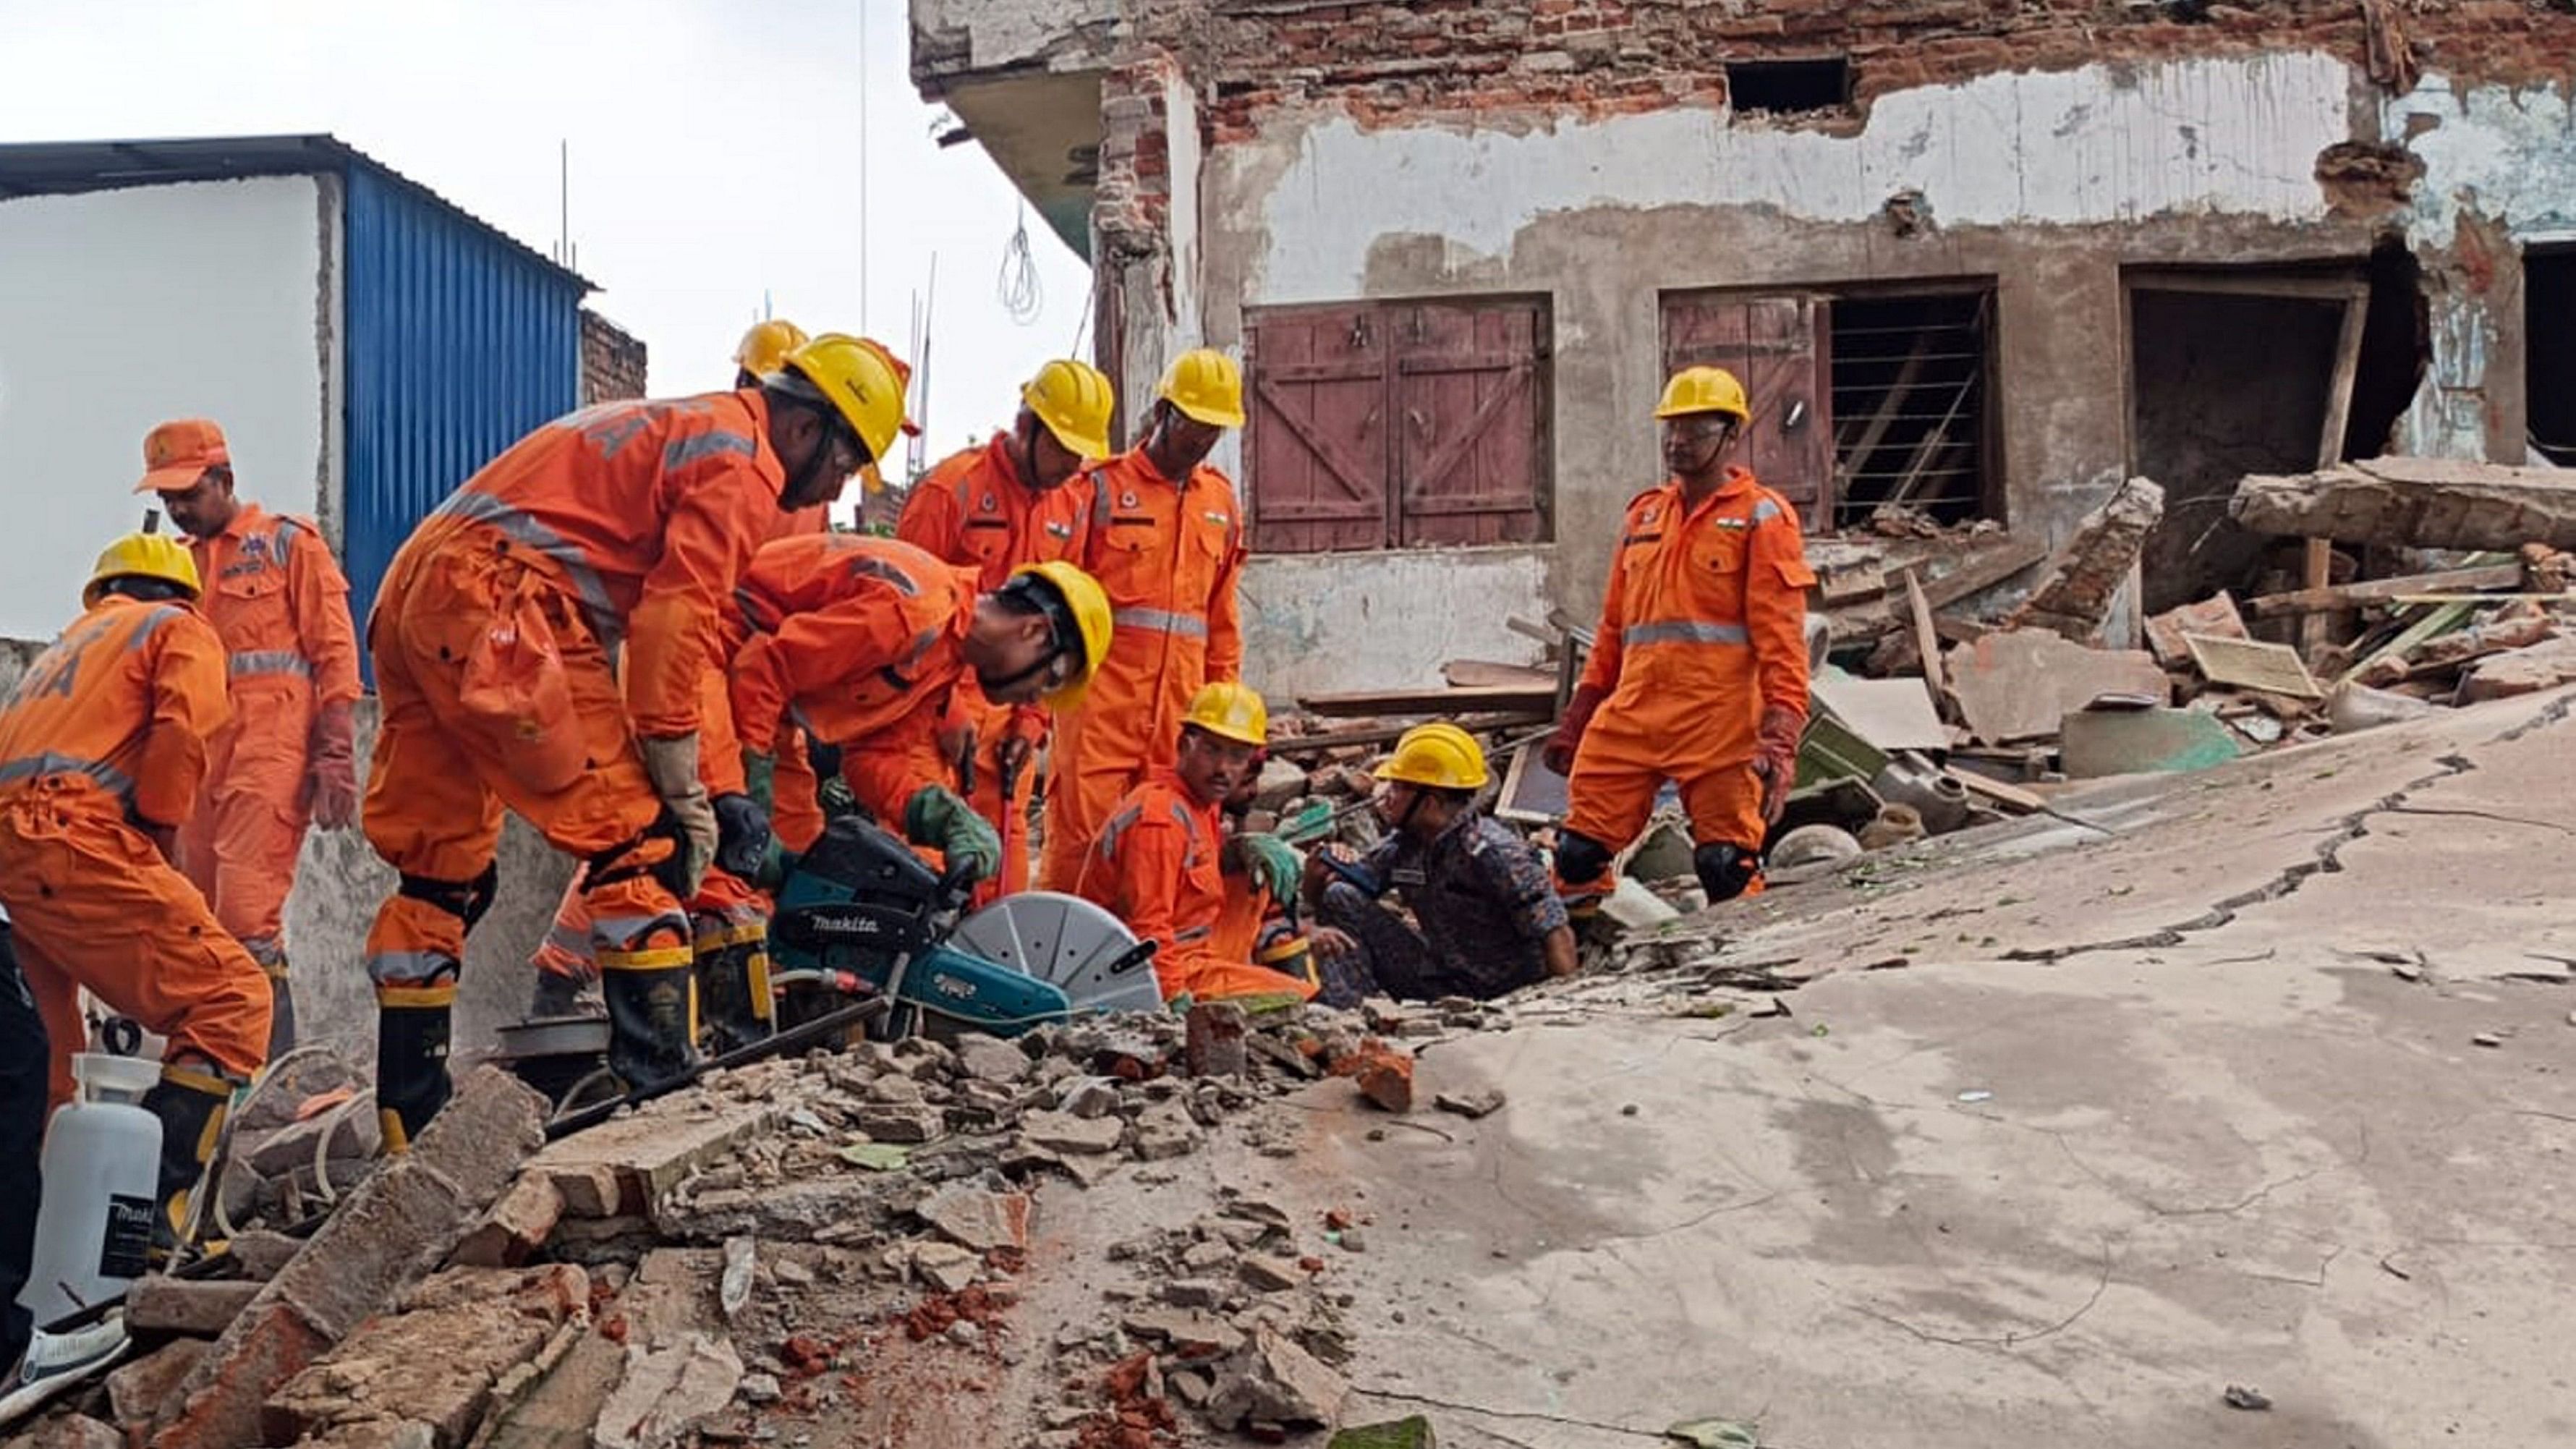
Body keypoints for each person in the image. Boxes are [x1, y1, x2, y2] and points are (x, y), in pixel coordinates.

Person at [362, 332, 907, 1147]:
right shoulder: (744, 465)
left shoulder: (691, 424)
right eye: (846, 462)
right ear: (808, 427)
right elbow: (673, 630)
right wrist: (684, 792)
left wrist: (708, 782)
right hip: (504, 604)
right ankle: (656, 1120)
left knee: (441, 879)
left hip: (420, 591)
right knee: (639, 851)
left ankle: (411, 1135)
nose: (837, 484)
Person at [0, 529, 270, 1241]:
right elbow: (181, 732)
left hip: (16, 858)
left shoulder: (67, 649)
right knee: (233, 1000)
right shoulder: (180, 628)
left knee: (54, 1067)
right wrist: (158, 842)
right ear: (185, 590)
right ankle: (150, 1227)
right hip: (74, 836)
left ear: (105, 589)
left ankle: (40, 1253)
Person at [1546, 366, 1816, 909]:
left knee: (1724, 864)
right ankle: (1583, 965)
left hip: (1718, 723)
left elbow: (1781, 641)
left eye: (1695, 430)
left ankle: (1738, 973)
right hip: (1634, 715)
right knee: (1576, 851)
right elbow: (1613, 631)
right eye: (1672, 429)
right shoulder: (1643, 516)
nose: (1678, 442)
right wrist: (1580, 713)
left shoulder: (1761, 518)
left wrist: (1780, 737)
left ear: (1731, 434)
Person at [132, 419, 362, 1055]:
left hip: (269, 756)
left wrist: (335, 752)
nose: (176, 506)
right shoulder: (173, 566)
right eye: (166, 498)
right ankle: (221, 1063)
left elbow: (335, 652)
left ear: (224, 480)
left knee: (246, 916)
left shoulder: (287, 545)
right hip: (196, 766)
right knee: (200, 920)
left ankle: (274, 1073)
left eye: (187, 492)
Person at [723, 539, 1111, 886]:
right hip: (716, 656)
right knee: (727, 883)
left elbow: (871, 758)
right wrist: (748, 796)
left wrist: (939, 814)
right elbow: (763, 669)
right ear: (1035, 631)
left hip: (762, 710)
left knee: (800, 883)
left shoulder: (942, 661)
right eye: (1052, 677)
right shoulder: (915, 614)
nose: (1034, 694)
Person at [898, 359, 1115, 901]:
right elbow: (903, 620)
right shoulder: (953, 490)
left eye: (1078, 452)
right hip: (930, 721)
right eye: (1062, 447)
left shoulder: (1070, 504)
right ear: (1028, 426)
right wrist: (945, 712)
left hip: (1006, 726)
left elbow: (1059, 628)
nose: (1070, 464)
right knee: (930, 873)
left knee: (1003, 887)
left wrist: (1031, 722)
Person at [1035, 349, 1249, 892]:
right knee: (1082, 853)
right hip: (1098, 716)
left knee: (1164, 853)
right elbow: (1050, 602)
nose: (1201, 441)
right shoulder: (1099, 488)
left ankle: (1151, 971)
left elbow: (1219, 620)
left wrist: (1228, 722)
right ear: (1162, 412)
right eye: (1194, 426)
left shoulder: (1219, 502)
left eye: (1213, 432)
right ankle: (1063, 967)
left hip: (1179, 722)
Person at [1304, 723, 1576, 1005]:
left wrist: (1560, 1008)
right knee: (1340, 896)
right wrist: (1318, 874)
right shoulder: (1404, 845)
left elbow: (1555, 932)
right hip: (1442, 979)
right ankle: (1355, 1015)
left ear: (1430, 802)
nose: (1386, 796)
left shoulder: (1493, 851)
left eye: (1398, 788)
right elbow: (1341, 897)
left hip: (1506, 993)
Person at [1076, 683, 1312, 1004]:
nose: (1223, 769)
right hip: (1140, 972)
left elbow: (1193, 872)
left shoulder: (1201, 802)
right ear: (1184, 745)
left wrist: (1238, 849)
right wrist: (1174, 995)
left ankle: (1249, 967)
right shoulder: (1159, 820)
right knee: (1296, 999)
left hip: (1194, 950)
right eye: (1212, 749)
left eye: (1237, 756)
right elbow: (1147, 926)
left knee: (1257, 873)